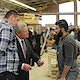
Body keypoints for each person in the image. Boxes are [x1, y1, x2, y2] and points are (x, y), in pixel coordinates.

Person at [0, 10, 20, 80]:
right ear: (11, 17)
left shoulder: (2, 26)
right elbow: (2, 48)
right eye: (17, 20)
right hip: (7, 69)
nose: (17, 23)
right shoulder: (7, 28)